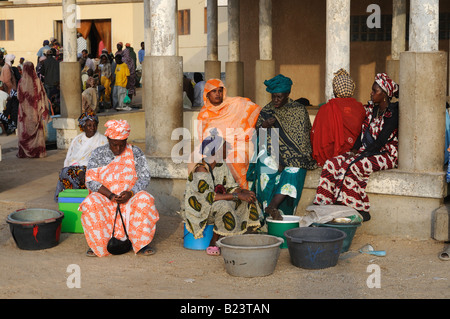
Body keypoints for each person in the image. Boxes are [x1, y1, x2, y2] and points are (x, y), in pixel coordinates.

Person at [313, 73, 400, 222]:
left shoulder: (392, 113)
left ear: (384, 94)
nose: (371, 93)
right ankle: (324, 203)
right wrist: (354, 150)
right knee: (332, 163)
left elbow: (381, 140)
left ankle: (357, 207)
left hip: (386, 154)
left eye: (375, 91)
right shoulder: (372, 110)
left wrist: (361, 155)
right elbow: (362, 132)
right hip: (367, 151)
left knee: (352, 166)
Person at [79, 119, 159, 257]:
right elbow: (90, 180)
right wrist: (110, 195)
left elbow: (145, 177)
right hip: (106, 198)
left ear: (126, 140)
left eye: (121, 145)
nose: (118, 149)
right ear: (108, 139)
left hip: (130, 198)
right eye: (114, 145)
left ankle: (141, 243)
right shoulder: (98, 153)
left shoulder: (135, 152)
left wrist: (131, 192)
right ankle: (98, 244)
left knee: (145, 199)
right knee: (91, 202)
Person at [247, 74, 316, 221]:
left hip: (294, 157)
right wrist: (264, 126)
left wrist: (284, 161)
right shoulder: (267, 110)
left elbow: (302, 141)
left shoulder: (299, 110)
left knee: (294, 170)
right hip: (271, 152)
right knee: (266, 168)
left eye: (279, 97)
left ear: (288, 94)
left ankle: (274, 207)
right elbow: (256, 135)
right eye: (273, 97)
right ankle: (263, 218)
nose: (275, 100)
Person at [182, 132, 261, 256]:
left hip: (215, 204)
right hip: (200, 210)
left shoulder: (221, 165)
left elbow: (231, 187)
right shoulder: (200, 170)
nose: (229, 149)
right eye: (226, 146)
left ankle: (247, 233)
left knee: (249, 198)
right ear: (218, 150)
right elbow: (208, 197)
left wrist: (243, 192)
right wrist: (237, 195)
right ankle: (214, 241)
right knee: (223, 205)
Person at [196, 79, 261, 190]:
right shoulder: (204, 115)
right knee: (202, 160)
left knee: (237, 158)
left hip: (239, 144)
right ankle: (217, 192)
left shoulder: (236, 104)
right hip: (216, 147)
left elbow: (255, 110)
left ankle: (242, 191)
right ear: (207, 94)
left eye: (220, 91)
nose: (218, 94)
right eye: (214, 91)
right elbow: (204, 138)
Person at [310, 68, 366, 166]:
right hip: (356, 156)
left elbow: (317, 136)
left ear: (335, 90)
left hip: (329, 158)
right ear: (352, 88)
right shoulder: (361, 108)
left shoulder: (326, 108)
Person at [54, 111, 108, 201]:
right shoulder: (77, 140)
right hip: (76, 168)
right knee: (65, 172)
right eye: (89, 125)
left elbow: (103, 161)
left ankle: (84, 197)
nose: (92, 128)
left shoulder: (103, 140)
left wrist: (83, 169)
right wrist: (78, 170)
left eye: (94, 125)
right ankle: (71, 198)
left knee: (81, 174)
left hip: (93, 169)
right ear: (83, 127)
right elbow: (70, 157)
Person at [16, 61, 50, 158]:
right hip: (35, 112)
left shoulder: (21, 82)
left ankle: (24, 153)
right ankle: (37, 152)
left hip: (24, 113)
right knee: (37, 131)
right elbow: (42, 96)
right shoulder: (37, 81)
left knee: (24, 130)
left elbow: (19, 96)